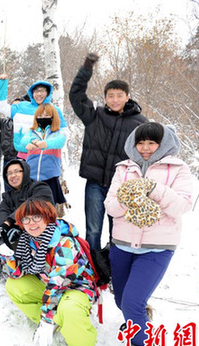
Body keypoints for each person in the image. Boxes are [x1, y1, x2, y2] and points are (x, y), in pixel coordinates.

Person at [104, 122, 192, 346]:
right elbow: (111, 207)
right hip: (122, 244)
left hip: (157, 248)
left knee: (132, 303)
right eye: (140, 142)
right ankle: (141, 316)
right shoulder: (123, 168)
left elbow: (181, 206)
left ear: (163, 144)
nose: (145, 147)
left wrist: (153, 189)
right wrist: (129, 196)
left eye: (151, 143)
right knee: (121, 301)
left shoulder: (178, 168)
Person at [69, 53, 148, 251]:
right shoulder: (95, 115)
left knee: (118, 232)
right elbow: (76, 95)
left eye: (119, 95)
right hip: (95, 184)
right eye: (110, 95)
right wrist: (86, 68)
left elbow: (147, 153)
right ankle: (94, 271)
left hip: (121, 188)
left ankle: (113, 269)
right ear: (105, 98)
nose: (114, 99)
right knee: (93, 230)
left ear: (127, 97)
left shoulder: (140, 123)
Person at [4, 199, 97, 346]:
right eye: (26, 219)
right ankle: (56, 320)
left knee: (69, 308)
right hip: (49, 286)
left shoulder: (64, 242)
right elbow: (16, 273)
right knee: (14, 286)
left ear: (47, 217)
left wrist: (47, 318)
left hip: (75, 288)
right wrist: (5, 253)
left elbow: (58, 283)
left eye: (36, 217)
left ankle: (81, 344)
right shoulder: (27, 241)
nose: (31, 223)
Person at [0, 74, 68, 160]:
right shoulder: (20, 107)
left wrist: (48, 144)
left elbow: (64, 132)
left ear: (48, 93)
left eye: (42, 91)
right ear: (32, 94)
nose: (39, 94)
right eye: (36, 91)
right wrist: (2, 83)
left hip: (47, 156)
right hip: (22, 155)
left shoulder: (55, 110)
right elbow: (0, 106)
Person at [17, 104, 67, 205]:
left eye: (46, 116)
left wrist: (46, 144)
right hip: (31, 179)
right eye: (40, 116)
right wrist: (31, 142)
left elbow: (60, 141)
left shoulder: (58, 132)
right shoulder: (32, 132)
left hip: (50, 179)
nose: (43, 118)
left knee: (48, 211)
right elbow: (24, 140)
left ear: (53, 117)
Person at [0, 159, 53, 248]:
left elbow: (34, 204)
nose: (13, 175)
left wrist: (10, 221)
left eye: (17, 171)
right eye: (9, 173)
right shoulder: (7, 196)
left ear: (25, 172)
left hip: (45, 237)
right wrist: (5, 228)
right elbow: (3, 211)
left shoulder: (40, 187)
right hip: (22, 242)